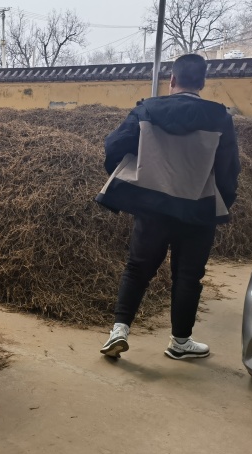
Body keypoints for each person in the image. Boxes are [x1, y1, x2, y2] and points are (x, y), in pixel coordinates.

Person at [95, 54, 241, 360]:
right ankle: (180, 342)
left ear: (171, 80)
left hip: (153, 205)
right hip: (199, 208)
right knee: (188, 276)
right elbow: (229, 169)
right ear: (202, 83)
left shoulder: (148, 109)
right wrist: (222, 201)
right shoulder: (219, 117)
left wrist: (132, 178)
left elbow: (113, 146)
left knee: (137, 269)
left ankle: (119, 331)